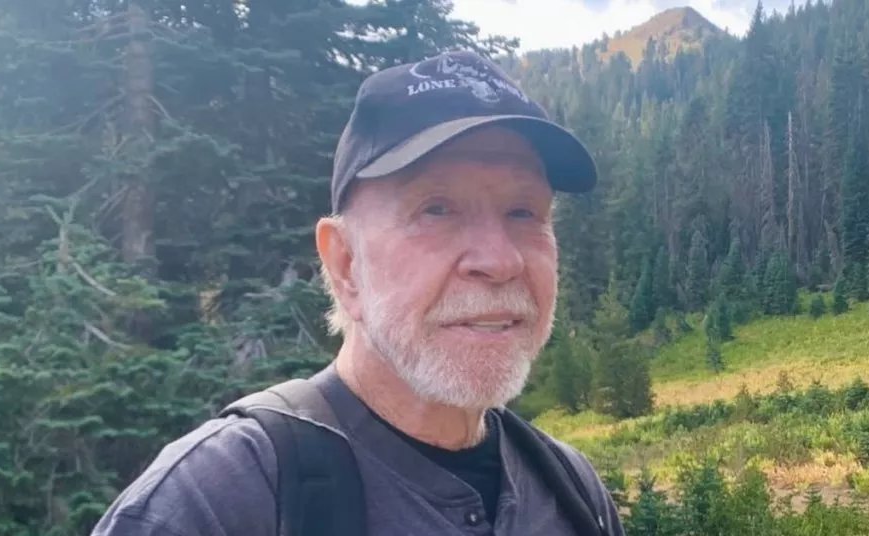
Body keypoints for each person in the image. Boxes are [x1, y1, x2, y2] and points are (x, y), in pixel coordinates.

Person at [91, 49, 624, 536]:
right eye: (437, 209)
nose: (500, 261)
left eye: (524, 212)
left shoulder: (572, 491)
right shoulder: (209, 504)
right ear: (345, 263)